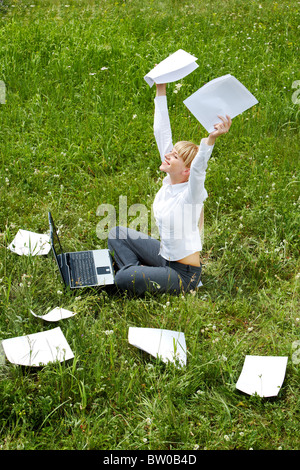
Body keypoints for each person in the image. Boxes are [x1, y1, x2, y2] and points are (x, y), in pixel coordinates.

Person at [108, 82, 231, 296]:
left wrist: (211, 139)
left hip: (183, 275)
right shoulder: (169, 181)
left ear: (186, 171)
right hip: (165, 257)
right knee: (116, 233)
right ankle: (140, 273)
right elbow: (161, 131)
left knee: (120, 279)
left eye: (174, 156)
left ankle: (134, 274)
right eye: (171, 152)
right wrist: (161, 88)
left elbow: (200, 167)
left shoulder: (190, 195)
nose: (167, 155)